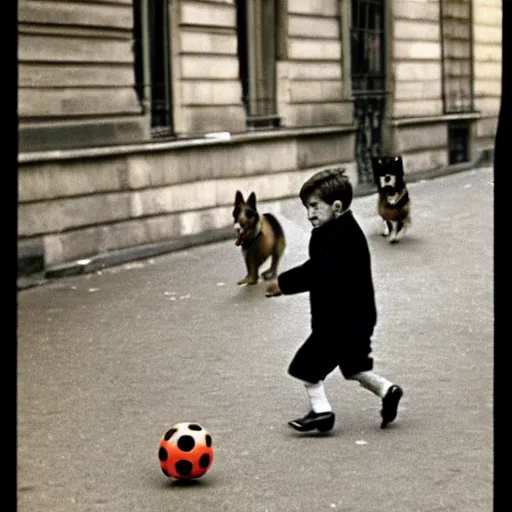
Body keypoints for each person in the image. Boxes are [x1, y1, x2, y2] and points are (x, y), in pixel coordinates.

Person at [265, 167, 403, 432]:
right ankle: (388, 391)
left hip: (339, 323)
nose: (310, 214)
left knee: (306, 367)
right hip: (357, 318)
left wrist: (282, 283)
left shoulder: (335, 237)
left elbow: (316, 270)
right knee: (353, 367)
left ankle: (322, 412)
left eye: (315, 206)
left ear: (336, 206)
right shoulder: (344, 230)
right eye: (307, 207)